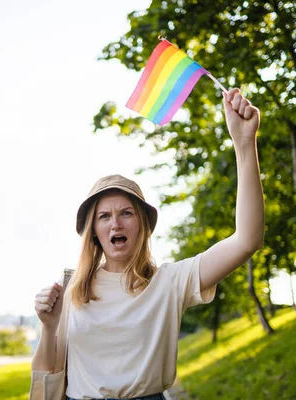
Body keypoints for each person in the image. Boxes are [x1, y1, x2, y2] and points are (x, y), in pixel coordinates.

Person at [31, 88, 264, 400]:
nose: (116, 223)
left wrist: (244, 143)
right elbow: (47, 376)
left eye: (127, 213)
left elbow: (247, 240)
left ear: (142, 225)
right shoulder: (71, 288)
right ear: (94, 231)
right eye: (104, 216)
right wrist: (48, 326)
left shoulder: (169, 282)